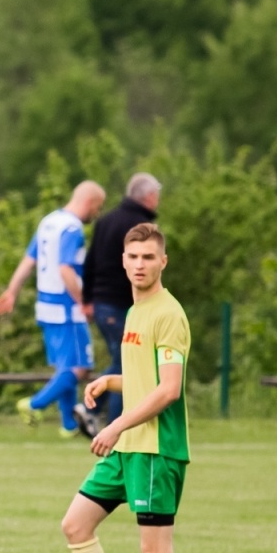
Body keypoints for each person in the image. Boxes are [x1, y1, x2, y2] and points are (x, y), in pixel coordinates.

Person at [56, 223, 191, 553]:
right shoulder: (136, 311)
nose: (139, 264)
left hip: (154, 449)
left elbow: (168, 390)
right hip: (129, 446)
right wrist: (111, 380)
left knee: (155, 551)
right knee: (76, 525)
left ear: (163, 261)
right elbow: (145, 380)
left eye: (148, 257)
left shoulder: (168, 313)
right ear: (123, 261)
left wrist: (114, 425)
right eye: (133, 257)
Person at [0, 181, 105, 438]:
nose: (96, 214)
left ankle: (68, 425)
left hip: (46, 306)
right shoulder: (72, 228)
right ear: (89, 202)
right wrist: (83, 301)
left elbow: (29, 260)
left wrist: (12, 291)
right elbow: (65, 269)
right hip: (66, 308)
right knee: (80, 368)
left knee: (65, 366)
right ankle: (34, 404)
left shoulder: (49, 222)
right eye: (98, 208)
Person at [85, 173, 161, 423]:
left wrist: (87, 300)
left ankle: (92, 410)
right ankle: (111, 420)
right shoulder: (141, 228)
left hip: (101, 304)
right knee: (127, 364)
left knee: (123, 360)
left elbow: (90, 261)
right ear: (149, 197)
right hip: (121, 304)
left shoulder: (106, 221)